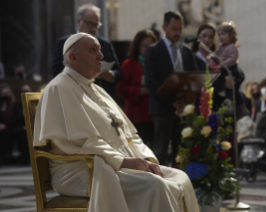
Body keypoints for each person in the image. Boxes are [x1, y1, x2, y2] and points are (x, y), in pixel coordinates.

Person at [34, 33, 199, 212]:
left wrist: (146, 159)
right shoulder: (59, 88)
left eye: (100, 50)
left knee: (179, 176)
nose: (101, 56)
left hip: (115, 162)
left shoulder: (96, 89)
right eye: (93, 50)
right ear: (73, 57)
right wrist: (123, 161)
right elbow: (79, 143)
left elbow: (129, 134)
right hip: (81, 168)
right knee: (155, 185)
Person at [144, 11, 198, 166]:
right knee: (160, 151)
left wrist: (184, 101)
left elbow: (193, 77)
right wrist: (173, 102)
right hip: (162, 108)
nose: (178, 32)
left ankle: (180, 186)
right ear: (164, 27)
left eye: (180, 28)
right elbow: (151, 82)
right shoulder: (153, 50)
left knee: (181, 152)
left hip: (183, 108)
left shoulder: (186, 51)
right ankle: (159, 187)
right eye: (174, 28)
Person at [51, 4, 121, 102]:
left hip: (103, 97)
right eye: (90, 24)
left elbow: (118, 71)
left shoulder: (106, 44)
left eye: (96, 25)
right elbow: (57, 71)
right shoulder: (64, 43)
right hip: (75, 96)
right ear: (79, 21)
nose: (93, 28)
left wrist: (111, 76)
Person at [116, 30, 157, 147]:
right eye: (145, 46)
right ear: (138, 46)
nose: (148, 49)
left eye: (151, 46)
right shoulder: (128, 64)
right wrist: (140, 91)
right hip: (136, 115)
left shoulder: (158, 63)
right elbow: (121, 89)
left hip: (155, 114)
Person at [207, 21, 247, 119]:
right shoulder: (221, 47)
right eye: (219, 35)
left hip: (232, 69)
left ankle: (236, 104)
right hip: (224, 69)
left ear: (231, 35)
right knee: (228, 87)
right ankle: (230, 103)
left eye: (223, 34)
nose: (220, 37)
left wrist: (221, 65)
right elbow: (216, 54)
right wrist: (211, 56)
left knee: (231, 88)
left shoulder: (232, 47)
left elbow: (232, 59)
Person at [0, 84, 15, 165]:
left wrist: (5, 126)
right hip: (1, 128)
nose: (5, 95)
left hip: (10, 127)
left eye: (6, 93)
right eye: (3, 93)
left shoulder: (14, 104)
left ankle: (5, 157)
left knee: (6, 134)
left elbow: (15, 119)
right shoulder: (1, 105)